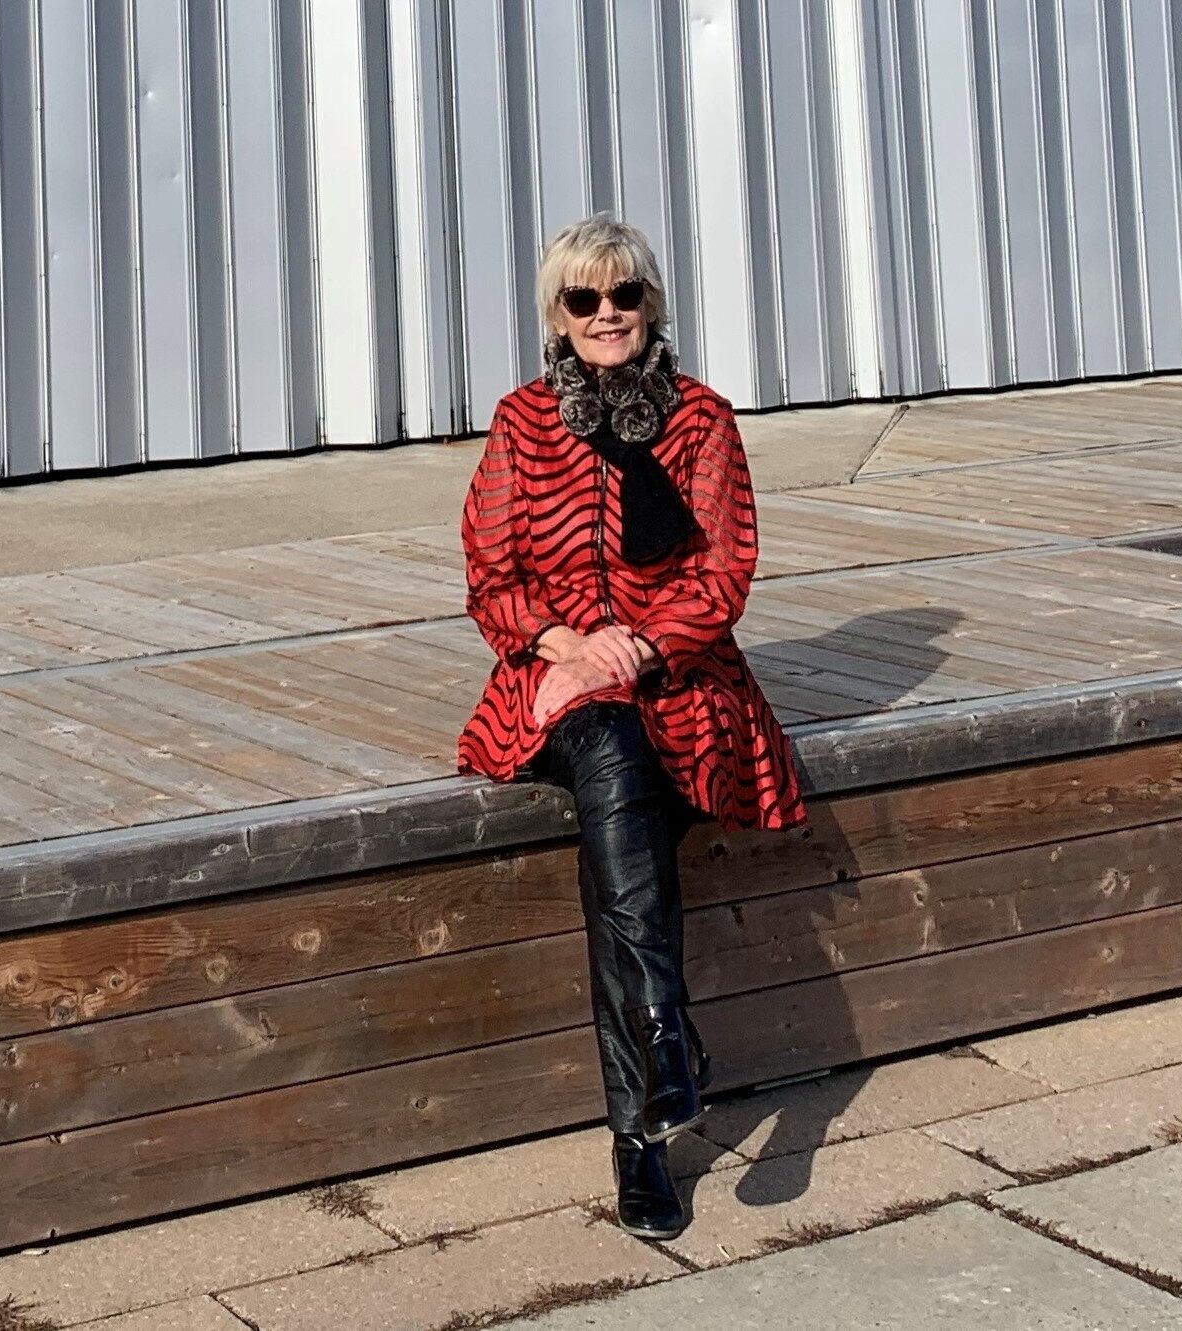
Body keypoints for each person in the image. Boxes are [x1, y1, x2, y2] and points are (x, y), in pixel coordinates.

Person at [456, 215, 806, 1240]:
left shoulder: (700, 419)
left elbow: (723, 574)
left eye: (624, 296)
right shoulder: (524, 422)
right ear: (557, 319)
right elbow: (492, 580)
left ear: (652, 304)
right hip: (556, 673)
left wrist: (638, 650)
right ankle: (663, 1031)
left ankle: (639, 1126)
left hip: (682, 673)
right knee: (609, 749)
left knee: (627, 805)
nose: (606, 315)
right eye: (583, 300)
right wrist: (575, 644)